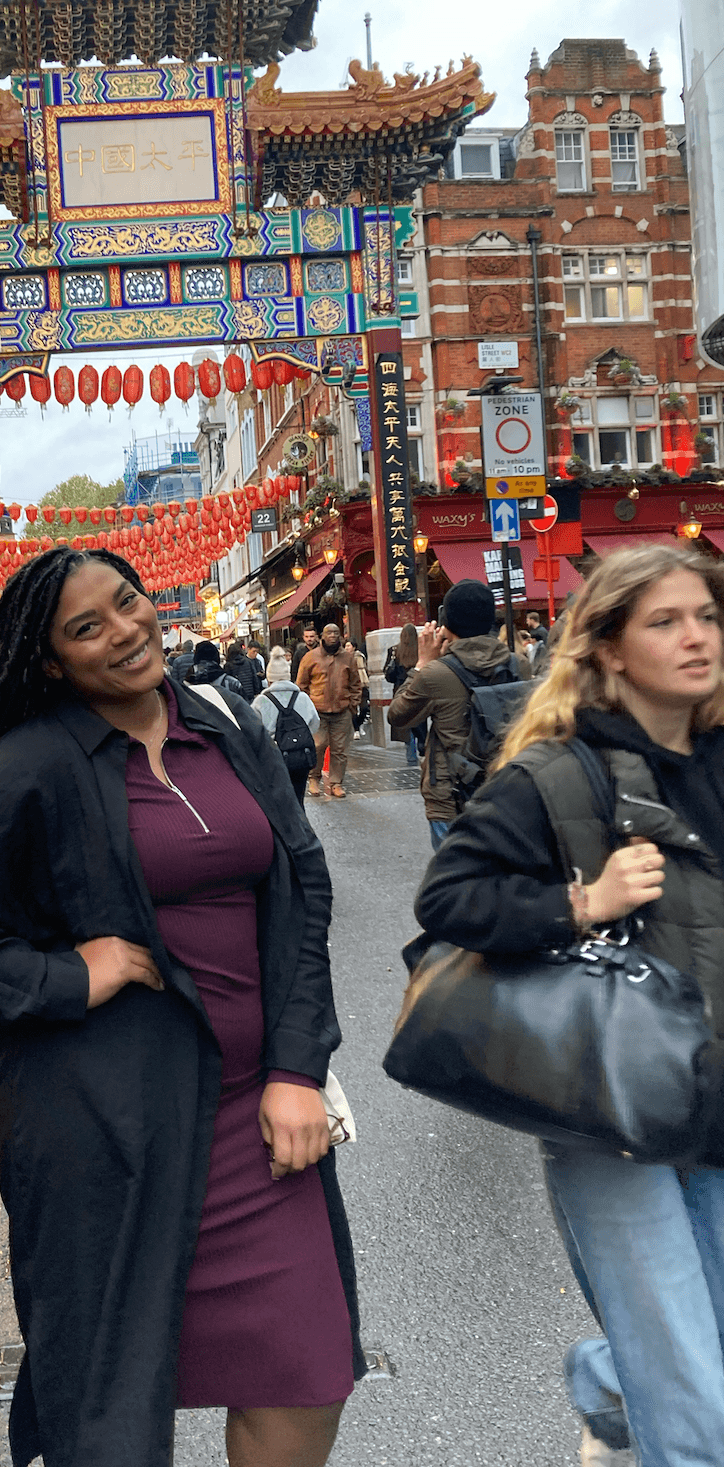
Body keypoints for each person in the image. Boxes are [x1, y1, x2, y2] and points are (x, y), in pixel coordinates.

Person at [0, 547, 362, 1467]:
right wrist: (65, 977)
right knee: (106, 1402)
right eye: (86, 628)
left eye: (127, 604)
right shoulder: (34, 760)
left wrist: (298, 1067)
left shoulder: (221, 725)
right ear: (52, 661)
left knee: (304, 1367)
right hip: (107, 1128)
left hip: (257, 1118)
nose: (125, 632)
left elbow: (302, 889)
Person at [415, 544, 724, 1467]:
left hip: (716, 1100)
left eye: (706, 616)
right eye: (665, 621)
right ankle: (643, 1391)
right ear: (612, 649)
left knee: (693, 1361)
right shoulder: (557, 773)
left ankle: (609, 1380)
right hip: (611, 1105)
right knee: (698, 1414)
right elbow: (448, 899)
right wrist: (582, 903)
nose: (697, 636)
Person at [386, 579, 516, 848]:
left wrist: (422, 664)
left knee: (455, 883)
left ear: (446, 625)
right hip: (507, 789)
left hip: (452, 795)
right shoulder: (518, 665)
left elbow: (397, 715)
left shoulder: (437, 673)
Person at [296, 624, 362, 800]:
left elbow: (356, 683)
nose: (333, 636)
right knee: (318, 746)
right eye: (329, 633)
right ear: (322, 636)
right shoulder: (310, 657)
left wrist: (352, 705)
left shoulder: (348, 658)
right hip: (318, 711)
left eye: (336, 633)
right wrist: (306, 708)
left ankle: (336, 783)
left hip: (342, 710)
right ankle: (314, 778)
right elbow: (301, 685)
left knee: (340, 749)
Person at [252, 650, 321, 804]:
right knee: (298, 799)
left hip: (273, 758)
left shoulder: (261, 701)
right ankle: (301, 826)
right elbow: (315, 723)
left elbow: (253, 731)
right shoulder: (302, 697)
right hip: (301, 757)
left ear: (269, 678)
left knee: (278, 802)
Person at [384, 625, 428, 765]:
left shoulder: (394, 650)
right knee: (420, 721)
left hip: (400, 689)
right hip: (419, 688)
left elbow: (389, 676)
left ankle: (411, 754)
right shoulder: (421, 650)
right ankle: (422, 747)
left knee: (404, 721)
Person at [344, 640, 370, 736]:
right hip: (350, 685)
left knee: (364, 708)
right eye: (346, 646)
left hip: (362, 684)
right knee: (353, 708)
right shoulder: (343, 658)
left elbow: (365, 669)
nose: (347, 648)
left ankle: (359, 724)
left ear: (354, 647)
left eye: (349, 646)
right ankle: (356, 729)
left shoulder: (360, 656)